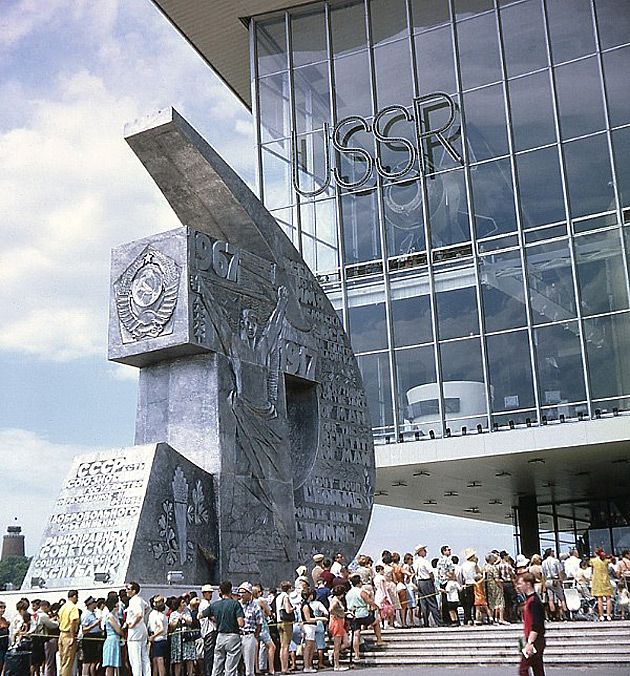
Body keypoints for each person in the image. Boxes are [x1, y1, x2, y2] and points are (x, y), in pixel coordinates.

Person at [203, 580, 244, 676]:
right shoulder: (235, 604)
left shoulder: (215, 605)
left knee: (217, 664)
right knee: (230, 667)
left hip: (220, 636)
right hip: (233, 636)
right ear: (230, 591)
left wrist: (215, 618)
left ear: (220, 591)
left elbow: (200, 615)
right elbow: (241, 623)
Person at [516, 572, 546, 676]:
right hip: (535, 640)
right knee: (538, 670)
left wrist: (530, 642)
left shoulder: (534, 601)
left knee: (523, 670)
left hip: (535, 641)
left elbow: (537, 624)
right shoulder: (530, 600)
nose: (518, 586)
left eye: (520, 583)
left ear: (528, 584)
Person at [123, 581, 151, 676]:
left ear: (134, 591)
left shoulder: (134, 601)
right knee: (144, 656)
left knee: (135, 658)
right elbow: (147, 607)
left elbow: (139, 614)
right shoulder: (140, 600)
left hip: (135, 631)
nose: (126, 591)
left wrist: (132, 624)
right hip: (142, 629)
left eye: (128, 589)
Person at [413, 545, 441, 627]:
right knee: (432, 601)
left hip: (420, 582)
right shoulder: (425, 562)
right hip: (426, 581)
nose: (426, 552)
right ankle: (438, 621)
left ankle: (426, 622)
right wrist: (433, 581)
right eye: (424, 550)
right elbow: (430, 572)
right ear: (421, 552)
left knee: (423, 603)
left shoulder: (416, 562)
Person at [237, 582, 261, 676]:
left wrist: (255, 637)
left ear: (249, 593)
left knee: (249, 665)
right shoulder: (237, 605)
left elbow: (259, 623)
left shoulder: (255, 606)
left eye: (243, 592)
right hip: (237, 636)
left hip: (249, 635)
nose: (241, 595)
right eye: (240, 592)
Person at [251, 583, 275, 676]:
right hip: (263, 626)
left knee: (256, 648)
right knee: (271, 646)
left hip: (254, 627)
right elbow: (268, 613)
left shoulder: (251, 603)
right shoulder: (261, 601)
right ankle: (271, 669)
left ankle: (256, 669)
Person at [169, 596, 196, 676]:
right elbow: (172, 626)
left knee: (189, 658)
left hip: (187, 636)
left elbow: (190, 622)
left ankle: (190, 673)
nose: (184, 604)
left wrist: (184, 617)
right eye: (183, 602)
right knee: (178, 659)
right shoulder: (173, 614)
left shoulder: (187, 612)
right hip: (177, 637)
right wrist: (177, 619)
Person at [58, 590, 80, 676]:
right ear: (74, 596)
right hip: (68, 635)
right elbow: (72, 622)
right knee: (68, 662)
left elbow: (59, 619)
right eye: (77, 597)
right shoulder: (73, 608)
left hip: (62, 634)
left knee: (63, 661)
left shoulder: (63, 607)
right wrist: (72, 637)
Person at [328, 585, 350, 672]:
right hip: (336, 623)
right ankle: (336, 665)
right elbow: (331, 609)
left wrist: (345, 613)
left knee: (346, 642)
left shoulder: (337, 600)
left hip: (340, 622)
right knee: (337, 645)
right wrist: (336, 615)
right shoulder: (335, 601)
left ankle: (332, 653)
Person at [274, 580, 294, 674]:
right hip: (286, 622)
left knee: (282, 646)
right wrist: (293, 608)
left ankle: (283, 666)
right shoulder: (286, 596)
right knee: (286, 646)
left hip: (278, 621)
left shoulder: (278, 597)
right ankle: (285, 668)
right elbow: (288, 610)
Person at [541, 549, 566, 620]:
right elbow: (559, 571)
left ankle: (552, 615)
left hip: (548, 581)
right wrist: (561, 580)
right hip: (555, 580)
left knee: (550, 599)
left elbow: (543, 575)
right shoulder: (556, 561)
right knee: (561, 598)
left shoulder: (544, 562)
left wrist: (544, 585)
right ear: (550, 553)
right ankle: (564, 615)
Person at [590, 548, 614, 621]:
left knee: (599, 598)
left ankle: (601, 615)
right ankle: (609, 615)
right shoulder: (606, 561)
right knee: (608, 598)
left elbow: (591, 569)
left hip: (597, 581)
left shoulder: (593, 561)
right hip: (606, 580)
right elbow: (612, 559)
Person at [102, 596, 124, 676]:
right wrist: (122, 631)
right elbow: (117, 629)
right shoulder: (110, 616)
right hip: (111, 641)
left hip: (116, 641)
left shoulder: (115, 615)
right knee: (110, 664)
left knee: (115, 664)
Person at [81, 597, 103, 676]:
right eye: (94, 602)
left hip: (95, 636)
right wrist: (95, 623)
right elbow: (84, 629)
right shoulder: (86, 614)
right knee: (88, 661)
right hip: (89, 637)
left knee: (93, 660)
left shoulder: (93, 613)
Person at [147, 595, 168, 676]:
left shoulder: (155, 615)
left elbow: (161, 628)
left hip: (157, 640)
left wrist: (153, 636)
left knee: (159, 662)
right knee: (156, 661)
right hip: (164, 639)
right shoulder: (164, 616)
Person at [198, 585, 217, 676]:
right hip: (209, 630)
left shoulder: (207, 604)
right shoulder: (205, 604)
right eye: (209, 593)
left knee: (209, 653)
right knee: (209, 654)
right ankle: (208, 672)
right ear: (204, 593)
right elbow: (212, 617)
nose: (210, 594)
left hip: (209, 631)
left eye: (211, 593)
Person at [484, 553, 508, 624]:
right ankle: (500, 618)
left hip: (488, 586)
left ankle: (493, 617)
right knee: (500, 601)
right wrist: (501, 586)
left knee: (491, 602)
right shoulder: (493, 567)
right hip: (494, 586)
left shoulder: (485, 567)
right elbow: (496, 579)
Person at [0, 600, 9, 675]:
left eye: (4, 608)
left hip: (4, 647)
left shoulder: (4, 619)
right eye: (0, 607)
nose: (3, 610)